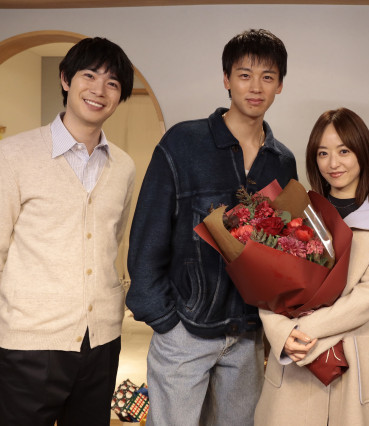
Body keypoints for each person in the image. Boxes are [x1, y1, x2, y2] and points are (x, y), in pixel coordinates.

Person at [126, 29, 297, 425]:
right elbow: (147, 235)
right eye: (244, 75)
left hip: (248, 336)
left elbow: (280, 251)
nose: (255, 87)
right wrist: (165, 321)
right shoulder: (184, 143)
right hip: (185, 330)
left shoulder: (282, 161)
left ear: (280, 85)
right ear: (226, 79)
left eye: (268, 77)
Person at [0, 37, 136, 425]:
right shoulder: (12, 155)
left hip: (101, 341)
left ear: (120, 95)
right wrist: (21, 317)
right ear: (65, 79)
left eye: (112, 83)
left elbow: (110, 243)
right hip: (29, 345)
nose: (99, 90)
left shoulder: (124, 166)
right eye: (89, 75)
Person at [255, 108, 369, 425]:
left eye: (344, 151)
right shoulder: (296, 211)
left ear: (363, 152)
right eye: (323, 153)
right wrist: (281, 333)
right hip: (295, 359)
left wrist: (303, 330)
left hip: (352, 359)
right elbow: (267, 287)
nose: (333, 163)